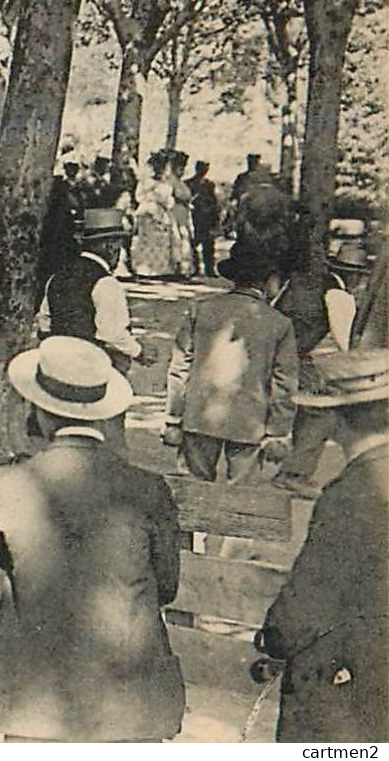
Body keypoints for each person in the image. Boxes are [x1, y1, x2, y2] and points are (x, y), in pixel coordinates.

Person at [0, 336, 184, 742]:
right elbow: (168, 586)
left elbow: (12, 566)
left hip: (35, 700)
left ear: (38, 410)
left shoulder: (11, 483)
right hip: (127, 699)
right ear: (101, 414)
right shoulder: (147, 487)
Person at [255, 348, 388, 743]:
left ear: (332, 419)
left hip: (360, 680)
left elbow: (307, 602)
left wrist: (273, 640)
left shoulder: (354, 492)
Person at [162, 241, 297, 483]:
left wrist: (173, 418)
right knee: (242, 499)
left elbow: (180, 368)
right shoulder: (279, 323)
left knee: (192, 490)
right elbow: (284, 383)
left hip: (200, 415)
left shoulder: (200, 310)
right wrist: (279, 432)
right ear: (268, 281)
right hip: (250, 421)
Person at [37, 207, 148, 448]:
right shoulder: (106, 283)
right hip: (97, 370)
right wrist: (139, 352)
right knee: (106, 433)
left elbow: (44, 321)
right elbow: (112, 333)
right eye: (117, 245)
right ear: (110, 247)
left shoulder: (57, 277)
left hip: (59, 369)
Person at [272, 234, 373, 495]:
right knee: (323, 409)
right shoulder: (338, 294)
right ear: (355, 277)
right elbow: (346, 343)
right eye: (360, 277)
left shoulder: (301, 282)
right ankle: (295, 473)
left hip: (269, 349)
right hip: (289, 357)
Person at [132, 151, 178, 278]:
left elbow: (168, 200)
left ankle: (160, 269)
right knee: (147, 240)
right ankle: (144, 268)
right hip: (148, 211)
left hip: (160, 212)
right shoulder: (146, 183)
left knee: (161, 240)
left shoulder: (165, 184)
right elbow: (139, 196)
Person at [187, 160, 220, 278]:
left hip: (207, 217)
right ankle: (195, 268)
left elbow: (214, 201)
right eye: (202, 168)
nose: (204, 171)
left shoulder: (209, 184)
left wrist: (215, 217)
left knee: (209, 245)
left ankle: (209, 269)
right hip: (195, 216)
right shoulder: (189, 183)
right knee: (194, 243)